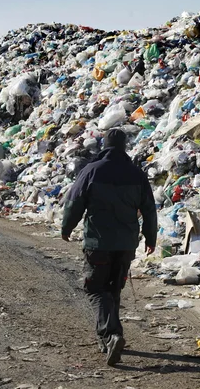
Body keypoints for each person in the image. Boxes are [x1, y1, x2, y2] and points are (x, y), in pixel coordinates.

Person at [61, 128, 157, 366]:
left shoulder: (91, 171)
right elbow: (149, 209)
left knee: (95, 288)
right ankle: (107, 339)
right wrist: (150, 237)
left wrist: (67, 228)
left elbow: (74, 202)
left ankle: (112, 334)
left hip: (98, 242)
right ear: (125, 146)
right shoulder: (137, 174)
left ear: (104, 145)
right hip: (126, 244)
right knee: (113, 289)